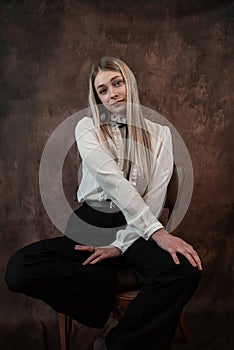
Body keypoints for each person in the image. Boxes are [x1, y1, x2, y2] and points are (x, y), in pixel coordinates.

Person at [5, 56, 202, 350]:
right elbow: (114, 182)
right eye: (103, 90)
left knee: (185, 270)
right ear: (96, 97)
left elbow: (155, 196)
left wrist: (121, 245)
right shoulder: (87, 127)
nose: (113, 94)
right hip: (90, 223)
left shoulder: (161, 135)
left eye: (117, 83)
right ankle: (110, 284)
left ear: (130, 83)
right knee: (20, 268)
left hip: (137, 225)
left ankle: (116, 345)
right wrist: (152, 235)